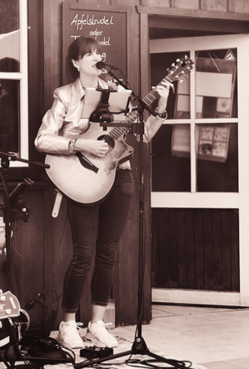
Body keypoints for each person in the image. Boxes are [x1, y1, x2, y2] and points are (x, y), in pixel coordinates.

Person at [35, 37, 171, 350]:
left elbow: (146, 134)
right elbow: (42, 140)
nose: (97, 57)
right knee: (83, 255)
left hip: (118, 175)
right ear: (76, 62)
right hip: (82, 176)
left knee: (107, 252)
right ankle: (68, 325)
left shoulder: (120, 95)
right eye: (89, 54)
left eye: (99, 52)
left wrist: (160, 107)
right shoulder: (65, 96)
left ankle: (97, 322)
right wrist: (82, 144)